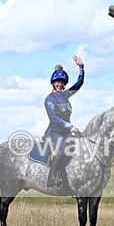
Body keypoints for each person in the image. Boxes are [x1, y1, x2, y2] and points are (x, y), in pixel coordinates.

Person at [44, 55, 84, 189]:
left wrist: (81, 67)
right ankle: (52, 177)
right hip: (54, 132)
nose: (60, 84)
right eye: (57, 82)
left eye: (62, 82)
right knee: (62, 151)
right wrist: (70, 126)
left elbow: (79, 84)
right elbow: (54, 118)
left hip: (67, 132)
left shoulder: (66, 94)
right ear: (53, 83)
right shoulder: (49, 99)